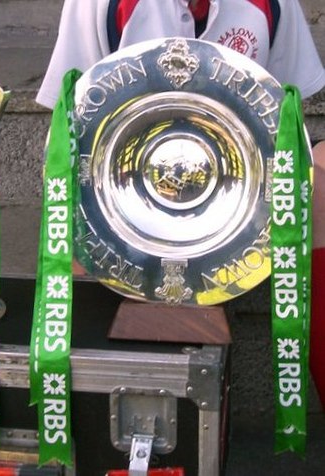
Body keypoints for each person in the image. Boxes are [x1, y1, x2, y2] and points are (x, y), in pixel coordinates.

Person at [36, 0, 325, 407]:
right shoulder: (95, 4)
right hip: (123, 186)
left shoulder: (274, 4)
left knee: (323, 180)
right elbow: (68, 127)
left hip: (239, 183)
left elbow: (287, 115)